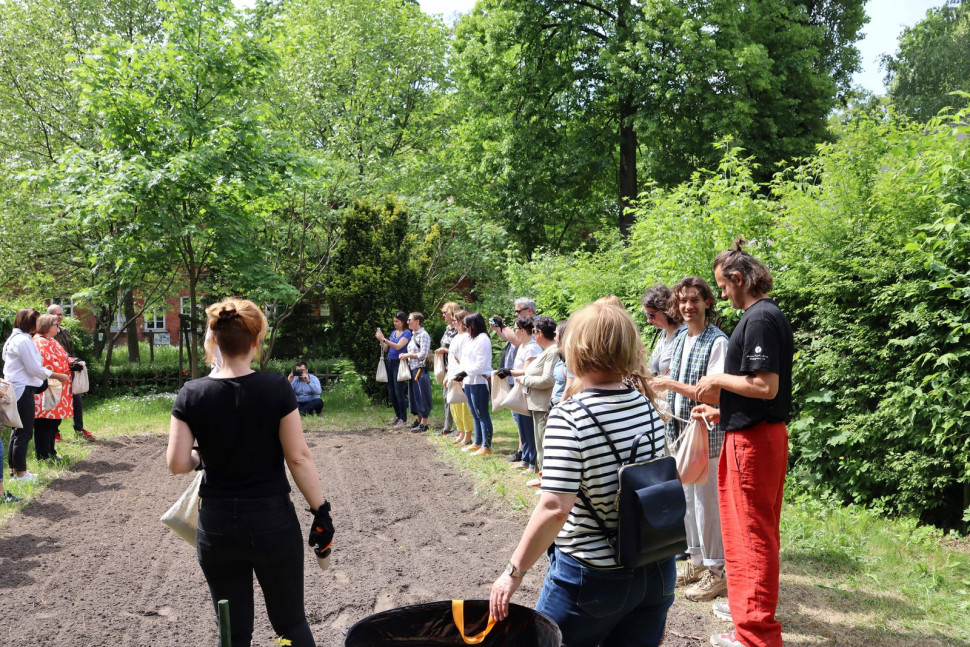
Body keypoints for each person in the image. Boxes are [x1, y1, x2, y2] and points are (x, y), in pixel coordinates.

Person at [489, 301, 673, 647]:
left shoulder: (569, 417)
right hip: (656, 568)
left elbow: (555, 508)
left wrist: (512, 574)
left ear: (575, 347)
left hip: (593, 580)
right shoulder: (647, 403)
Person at [167, 298, 332, 647]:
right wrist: (321, 511)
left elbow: (178, 462)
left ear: (213, 341)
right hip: (272, 521)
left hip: (218, 526)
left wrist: (202, 458)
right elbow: (298, 458)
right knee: (290, 623)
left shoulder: (192, 393)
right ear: (256, 342)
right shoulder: (276, 387)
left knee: (233, 631)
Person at [692, 239, 794, 647]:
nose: (722, 295)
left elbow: (765, 386)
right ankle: (749, 621)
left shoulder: (759, 319)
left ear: (739, 279)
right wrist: (724, 411)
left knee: (750, 536)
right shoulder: (765, 316)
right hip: (753, 434)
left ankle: (755, 636)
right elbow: (758, 392)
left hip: (754, 445)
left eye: (723, 286)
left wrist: (716, 380)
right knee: (753, 534)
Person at [648, 277, 728, 602]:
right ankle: (695, 562)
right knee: (686, 501)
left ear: (707, 302)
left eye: (694, 300)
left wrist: (670, 384)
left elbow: (713, 392)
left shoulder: (718, 342)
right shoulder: (680, 338)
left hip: (706, 435)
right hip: (678, 433)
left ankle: (717, 572)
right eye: (682, 301)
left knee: (707, 504)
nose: (687, 306)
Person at [3, 309, 68, 483]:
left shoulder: (13, 338)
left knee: (17, 431)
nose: (38, 326)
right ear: (29, 323)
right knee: (24, 432)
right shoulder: (23, 341)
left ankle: (15, 470)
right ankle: (21, 473)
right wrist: (56, 375)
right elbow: (34, 368)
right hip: (23, 389)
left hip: (17, 387)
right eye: (36, 322)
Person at [490, 297, 536, 463]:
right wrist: (498, 329)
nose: (515, 314)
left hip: (520, 377)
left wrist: (503, 326)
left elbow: (516, 340)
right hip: (514, 376)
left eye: (518, 311)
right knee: (518, 418)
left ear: (529, 311)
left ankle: (526, 453)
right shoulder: (523, 328)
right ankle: (522, 451)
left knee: (523, 418)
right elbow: (510, 338)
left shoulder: (533, 327)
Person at [495, 316, 541, 471]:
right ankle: (526, 459)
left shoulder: (532, 348)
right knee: (522, 428)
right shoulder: (523, 346)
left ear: (522, 330)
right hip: (519, 389)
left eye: (515, 329)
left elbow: (527, 371)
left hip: (527, 392)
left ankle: (533, 462)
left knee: (528, 429)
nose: (513, 333)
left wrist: (510, 372)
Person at [514, 315, 558, 475]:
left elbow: (547, 380)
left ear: (540, 333)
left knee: (543, 444)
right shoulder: (547, 351)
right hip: (537, 404)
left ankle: (546, 478)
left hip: (543, 405)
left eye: (534, 331)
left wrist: (524, 380)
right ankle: (542, 476)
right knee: (539, 442)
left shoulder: (553, 352)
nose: (532, 334)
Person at [48, 304, 96, 441]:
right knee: (55, 403)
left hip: (69, 373)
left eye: (61, 314)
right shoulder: (46, 334)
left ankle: (79, 429)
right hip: (56, 375)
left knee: (77, 401)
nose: (60, 317)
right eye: (57, 314)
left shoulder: (65, 331)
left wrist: (76, 361)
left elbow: (69, 352)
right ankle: (55, 432)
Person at [32, 314, 75, 462]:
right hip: (47, 389)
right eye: (56, 324)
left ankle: (51, 452)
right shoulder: (40, 342)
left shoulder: (51, 341)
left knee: (53, 422)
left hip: (57, 387)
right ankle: (43, 456)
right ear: (47, 326)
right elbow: (48, 365)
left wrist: (72, 363)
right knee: (45, 423)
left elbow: (63, 357)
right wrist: (65, 369)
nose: (58, 327)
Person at [451, 313, 493, 455]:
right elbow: (464, 359)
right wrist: (462, 373)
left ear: (474, 326)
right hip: (468, 381)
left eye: (468, 326)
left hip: (479, 381)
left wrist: (465, 372)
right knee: (475, 414)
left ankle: (486, 446)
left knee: (482, 414)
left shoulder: (483, 339)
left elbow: (480, 365)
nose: (466, 328)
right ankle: (477, 442)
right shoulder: (470, 339)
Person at [375, 312, 412, 428]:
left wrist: (384, 340)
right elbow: (386, 349)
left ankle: (403, 418)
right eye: (394, 321)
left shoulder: (407, 333)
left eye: (397, 321)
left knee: (398, 391)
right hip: (389, 362)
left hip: (398, 363)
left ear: (403, 322)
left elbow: (398, 346)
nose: (395, 323)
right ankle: (397, 415)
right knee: (391, 391)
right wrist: (381, 340)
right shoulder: (393, 333)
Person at [641, 285, 686, 377]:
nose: (648, 321)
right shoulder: (663, 333)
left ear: (665, 310)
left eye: (651, 315)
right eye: (647, 315)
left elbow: (676, 378)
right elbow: (655, 370)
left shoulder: (684, 336)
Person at [398, 312, 433, 432]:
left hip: (420, 370)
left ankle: (424, 423)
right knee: (415, 396)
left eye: (409, 320)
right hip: (413, 369)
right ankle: (419, 420)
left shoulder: (423, 335)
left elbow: (423, 354)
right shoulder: (413, 335)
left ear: (417, 321)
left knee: (422, 395)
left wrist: (408, 355)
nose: (407, 322)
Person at [445, 309, 475, 447]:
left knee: (464, 406)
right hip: (452, 374)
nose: (454, 323)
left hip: (461, 375)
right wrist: (447, 375)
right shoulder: (456, 337)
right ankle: (461, 431)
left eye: (456, 320)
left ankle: (468, 434)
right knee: (454, 405)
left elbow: (464, 358)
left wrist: (461, 375)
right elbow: (451, 358)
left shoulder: (467, 337)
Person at [434, 302, 460, 435]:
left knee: (453, 396)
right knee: (446, 396)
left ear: (453, 313)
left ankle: (457, 427)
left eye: (445, 312)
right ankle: (447, 426)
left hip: (455, 368)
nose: (443, 315)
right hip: (446, 367)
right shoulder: (447, 329)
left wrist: (445, 350)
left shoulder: (459, 329)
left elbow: (459, 350)